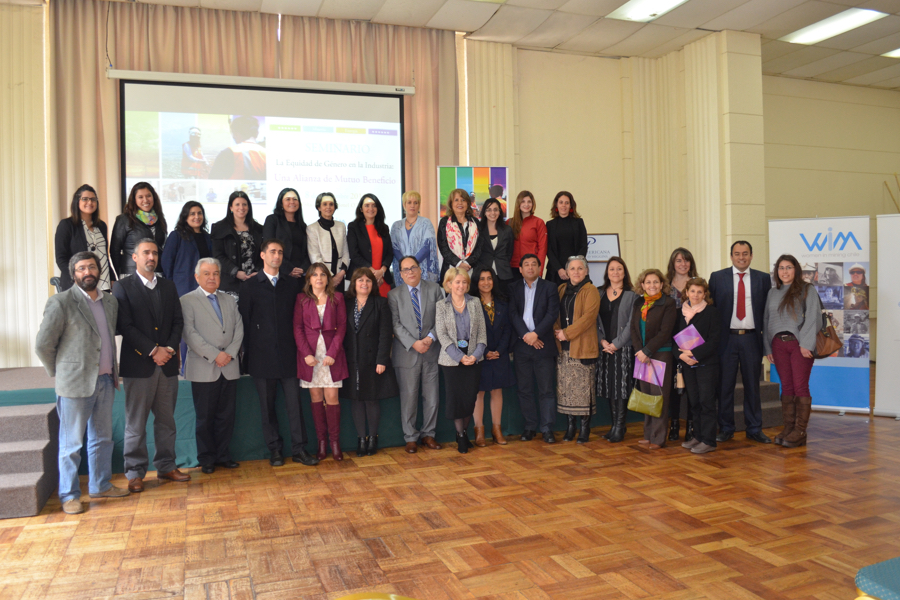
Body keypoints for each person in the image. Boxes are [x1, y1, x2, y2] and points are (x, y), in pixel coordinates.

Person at [35, 252, 129, 514]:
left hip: (106, 381)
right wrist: (60, 372)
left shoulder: (110, 301)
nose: (87, 271)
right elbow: (43, 345)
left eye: (91, 267)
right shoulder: (61, 302)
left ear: (98, 271)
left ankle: (100, 485)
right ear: (73, 273)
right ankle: (69, 495)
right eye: (81, 268)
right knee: (71, 444)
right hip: (74, 384)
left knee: (102, 439)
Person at [113, 239, 188, 492]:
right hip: (139, 366)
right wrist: (152, 350)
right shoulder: (122, 287)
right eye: (146, 252)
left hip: (166, 366)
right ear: (135, 257)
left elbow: (178, 322)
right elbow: (125, 326)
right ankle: (135, 472)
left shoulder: (168, 286)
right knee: (135, 424)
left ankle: (166, 467)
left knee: (166, 421)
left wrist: (167, 350)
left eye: (155, 253)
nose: (151, 257)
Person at [239, 239, 319, 467]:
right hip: (261, 357)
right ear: (262, 255)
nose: (277, 255)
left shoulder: (292, 285)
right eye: (272, 251)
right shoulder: (250, 286)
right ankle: (275, 450)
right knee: (267, 408)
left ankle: (299, 449)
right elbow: (245, 322)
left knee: (295, 406)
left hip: (289, 356)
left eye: (280, 252)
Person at [180, 257, 244, 474]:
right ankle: (206, 458)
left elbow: (239, 329)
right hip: (204, 367)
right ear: (197, 277)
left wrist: (230, 354)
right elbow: (189, 333)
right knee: (205, 417)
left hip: (229, 366)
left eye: (215, 273)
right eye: (206, 273)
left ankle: (223, 455)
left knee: (227, 416)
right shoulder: (186, 301)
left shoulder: (229, 300)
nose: (212, 277)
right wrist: (216, 355)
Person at [708, 241, 772, 444]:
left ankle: (754, 428)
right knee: (725, 386)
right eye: (737, 254)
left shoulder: (763, 279)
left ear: (751, 255)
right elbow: (711, 309)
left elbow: (767, 312)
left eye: (745, 253)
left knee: (752, 386)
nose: (741, 257)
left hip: (752, 338)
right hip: (726, 339)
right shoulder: (718, 277)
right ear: (731, 256)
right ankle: (726, 428)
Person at [388, 255, 445, 453]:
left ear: (420, 269)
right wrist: (414, 343)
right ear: (401, 274)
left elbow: (442, 317)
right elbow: (395, 324)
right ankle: (410, 437)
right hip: (406, 354)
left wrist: (429, 338)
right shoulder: (393, 295)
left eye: (413, 268)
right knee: (409, 397)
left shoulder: (435, 289)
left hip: (431, 350)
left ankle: (429, 435)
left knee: (432, 397)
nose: (410, 272)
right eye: (405, 269)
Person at [764, 255, 820, 448]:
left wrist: (806, 344)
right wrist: (768, 347)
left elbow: (814, 318)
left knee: (800, 387)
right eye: (781, 268)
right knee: (786, 387)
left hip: (799, 345)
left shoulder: (807, 289)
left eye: (788, 267)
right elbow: (767, 320)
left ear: (795, 269)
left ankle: (800, 431)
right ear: (776, 271)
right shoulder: (773, 293)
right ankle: (789, 428)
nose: (785, 271)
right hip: (778, 345)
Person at [294, 263, 349, 461]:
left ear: (328, 278)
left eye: (323, 275)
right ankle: (321, 443)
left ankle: (335, 442)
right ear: (308, 279)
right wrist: (306, 354)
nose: (319, 278)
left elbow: (342, 327)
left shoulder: (338, 298)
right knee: (316, 399)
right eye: (315, 275)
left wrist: (332, 353)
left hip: (332, 356)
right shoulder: (301, 299)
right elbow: (298, 329)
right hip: (310, 358)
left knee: (332, 399)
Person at [342, 268, 399, 457]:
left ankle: (373, 438)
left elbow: (385, 334)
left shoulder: (380, 303)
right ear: (354, 283)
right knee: (356, 400)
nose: (364, 283)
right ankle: (361, 439)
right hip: (352, 359)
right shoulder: (346, 302)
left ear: (373, 284)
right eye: (360, 280)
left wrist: (382, 359)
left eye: (368, 280)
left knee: (371, 399)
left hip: (373, 360)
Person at [508, 254, 560, 443]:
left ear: (540, 267)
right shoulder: (513, 288)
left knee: (546, 390)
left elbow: (552, 313)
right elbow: (512, 314)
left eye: (534, 264)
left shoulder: (550, 287)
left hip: (543, 345)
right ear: (520, 269)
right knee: (524, 389)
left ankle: (547, 429)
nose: (530, 268)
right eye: (526, 265)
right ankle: (530, 427)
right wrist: (526, 336)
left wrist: (536, 334)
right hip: (522, 346)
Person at [435, 267, 487, 454]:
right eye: (457, 282)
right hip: (451, 360)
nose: (461, 285)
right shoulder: (441, 305)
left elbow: (482, 333)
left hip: (473, 358)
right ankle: (461, 436)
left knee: (469, 399)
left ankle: (463, 431)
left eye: (464, 282)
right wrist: (459, 357)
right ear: (449, 284)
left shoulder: (475, 303)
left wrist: (475, 355)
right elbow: (441, 334)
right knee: (456, 399)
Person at [554, 256, 601, 444]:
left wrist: (566, 333)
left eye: (580, 268)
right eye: (572, 268)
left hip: (582, 348)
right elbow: (554, 313)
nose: (576, 272)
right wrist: (557, 332)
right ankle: (570, 426)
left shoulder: (591, 291)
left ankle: (584, 428)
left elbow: (588, 318)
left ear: (587, 271)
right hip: (563, 349)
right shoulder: (561, 289)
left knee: (583, 392)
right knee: (566, 391)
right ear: (567, 271)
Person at [630, 269, 677, 450]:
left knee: (659, 396)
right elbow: (634, 329)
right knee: (646, 395)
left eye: (655, 282)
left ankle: (658, 438)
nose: (652, 285)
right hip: (641, 356)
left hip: (660, 354)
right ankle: (648, 434)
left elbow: (665, 331)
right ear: (642, 285)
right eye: (648, 282)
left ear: (662, 284)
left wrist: (647, 351)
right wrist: (639, 351)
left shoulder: (668, 303)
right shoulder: (638, 303)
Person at [675, 277, 721, 455]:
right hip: (687, 364)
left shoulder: (712, 313)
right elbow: (673, 339)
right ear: (686, 292)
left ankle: (708, 440)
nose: (695, 295)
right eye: (692, 291)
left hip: (706, 364)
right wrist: (682, 356)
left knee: (706, 402)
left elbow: (714, 341)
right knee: (694, 402)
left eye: (699, 292)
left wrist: (695, 355)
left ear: (705, 294)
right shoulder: (680, 313)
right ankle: (698, 436)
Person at [595, 257, 637, 443]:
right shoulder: (599, 293)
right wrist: (602, 342)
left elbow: (631, 324)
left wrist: (617, 344)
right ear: (607, 273)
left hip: (622, 349)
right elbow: (593, 321)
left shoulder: (632, 295)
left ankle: (620, 427)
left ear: (624, 272)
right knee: (610, 387)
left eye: (619, 269)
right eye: (612, 269)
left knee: (621, 388)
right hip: (604, 349)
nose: (615, 272)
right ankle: (614, 426)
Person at [472, 267, 514, 446]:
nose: (486, 282)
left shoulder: (503, 302)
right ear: (476, 282)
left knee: (497, 391)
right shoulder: (471, 303)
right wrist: (485, 350)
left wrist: (500, 350)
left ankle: (497, 429)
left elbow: (508, 329)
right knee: (479, 393)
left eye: (489, 278)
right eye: (482, 279)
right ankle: (479, 431)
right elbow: (470, 331)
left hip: (500, 355)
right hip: (480, 355)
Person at [665, 247, 699, 442]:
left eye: (686, 260)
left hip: (692, 342)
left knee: (692, 387)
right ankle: (675, 423)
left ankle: (692, 426)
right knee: (673, 387)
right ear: (673, 264)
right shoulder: (665, 286)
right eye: (678, 260)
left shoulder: (697, 284)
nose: (682, 264)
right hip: (670, 342)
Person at [54, 184, 115, 292]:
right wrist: (75, 277)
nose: (90, 202)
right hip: (78, 283)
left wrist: (112, 277)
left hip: (102, 282)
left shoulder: (101, 226)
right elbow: (61, 258)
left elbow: (104, 255)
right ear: (77, 201)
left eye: (93, 199)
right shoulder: (66, 225)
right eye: (85, 199)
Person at [211, 191, 263, 301]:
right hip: (230, 283)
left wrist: (257, 271)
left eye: (244, 204)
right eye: (237, 204)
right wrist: (235, 272)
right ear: (231, 207)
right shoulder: (219, 228)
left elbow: (263, 254)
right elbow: (218, 255)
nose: (241, 208)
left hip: (254, 282)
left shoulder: (259, 229)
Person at [110, 182, 168, 278]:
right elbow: (114, 250)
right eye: (140, 197)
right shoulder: (124, 219)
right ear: (134, 200)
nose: (145, 200)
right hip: (131, 273)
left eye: (148, 196)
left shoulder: (160, 219)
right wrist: (121, 272)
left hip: (157, 273)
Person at [162, 201, 213, 297]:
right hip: (183, 287)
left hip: (204, 287)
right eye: (192, 214)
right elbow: (166, 262)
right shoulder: (177, 236)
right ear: (185, 217)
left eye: (199, 213)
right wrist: (170, 284)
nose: (197, 217)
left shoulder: (208, 238)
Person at [348, 193, 394, 298]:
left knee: (383, 311)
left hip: (382, 279)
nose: (371, 208)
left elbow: (389, 253)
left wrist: (381, 271)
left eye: (374, 205)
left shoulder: (384, 227)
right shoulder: (353, 227)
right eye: (367, 205)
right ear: (361, 209)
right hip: (362, 279)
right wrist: (372, 272)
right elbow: (354, 254)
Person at [391, 190, 439, 284]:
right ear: (404, 205)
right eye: (409, 202)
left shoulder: (426, 223)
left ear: (419, 205)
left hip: (422, 271)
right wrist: (405, 266)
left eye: (415, 202)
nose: (412, 205)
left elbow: (427, 246)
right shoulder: (396, 226)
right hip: (403, 273)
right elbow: (394, 248)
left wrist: (412, 265)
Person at [263, 188, 310, 281]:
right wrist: (289, 269)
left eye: (295, 199)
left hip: (300, 275)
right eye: (288, 199)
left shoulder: (302, 225)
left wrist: (303, 269)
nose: (292, 202)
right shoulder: (272, 220)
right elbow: (268, 247)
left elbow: (307, 252)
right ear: (281, 203)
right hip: (280, 272)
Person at [437, 188, 483, 284]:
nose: (460, 203)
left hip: (472, 270)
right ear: (451, 203)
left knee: (472, 298)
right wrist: (458, 263)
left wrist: (467, 263)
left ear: (468, 203)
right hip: (451, 270)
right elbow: (443, 247)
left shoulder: (475, 222)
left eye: (463, 200)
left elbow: (480, 246)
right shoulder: (444, 222)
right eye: (456, 200)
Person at [307, 192, 349, 291]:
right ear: (319, 207)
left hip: (340, 276)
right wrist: (329, 277)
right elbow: (315, 257)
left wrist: (341, 274)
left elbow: (346, 252)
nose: (328, 207)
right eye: (324, 204)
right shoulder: (312, 228)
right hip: (321, 278)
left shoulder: (341, 226)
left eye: (331, 204)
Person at [545, 191, 588, 287]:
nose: (563, 205)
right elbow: (549, 249)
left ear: (571, 206)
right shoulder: (549, 225)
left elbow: (583, 245)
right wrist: (559, 269)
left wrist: (573, 269)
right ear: (556, 205)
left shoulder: (579, 223)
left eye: (567, 203)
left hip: (576, 272)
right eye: (561, 202)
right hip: (555, 271)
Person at [476, 198, 515, 296]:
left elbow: (509, 251)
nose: (492, 213)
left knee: (503, 304)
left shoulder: (507, 230)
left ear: (499, 212)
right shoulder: (478, 229)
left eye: (495, 209)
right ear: (484, 212)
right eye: (489, 210)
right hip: (484, 274)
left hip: (504, 274)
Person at [208, 116, 266, 180]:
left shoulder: (228, 153)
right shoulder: (266, 154)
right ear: (257, 133)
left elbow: (212, 181)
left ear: (235, 134)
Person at [509, 191, 547, 279]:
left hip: (530, 268)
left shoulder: (539, 222)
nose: (526, 204)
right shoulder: (510, 223)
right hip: (512, 268)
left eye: (529, 201)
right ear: (518, 203)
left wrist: (539, 271)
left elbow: (543, 248)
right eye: (523, 201)